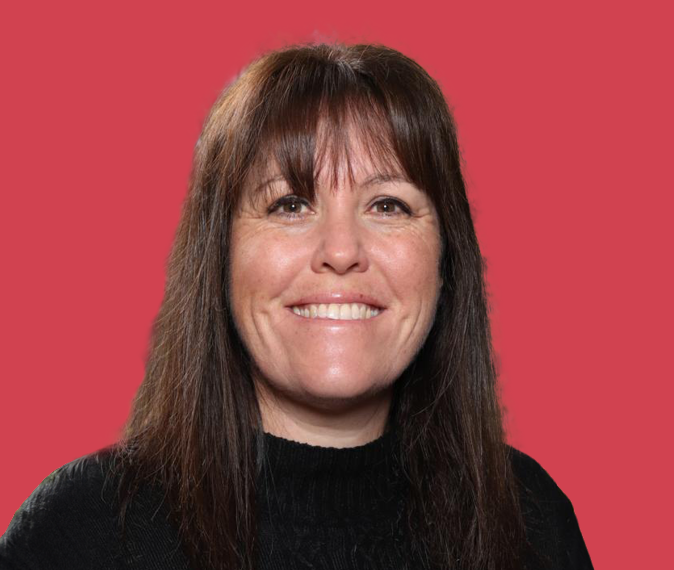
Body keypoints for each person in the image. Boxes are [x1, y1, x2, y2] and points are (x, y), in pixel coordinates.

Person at [0, 42, 593, 570]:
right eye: (289, 204)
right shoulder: (79, 534)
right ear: (221, 255)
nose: (340, 251)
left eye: (388, 205)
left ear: (446, 258)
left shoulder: (533, 522)